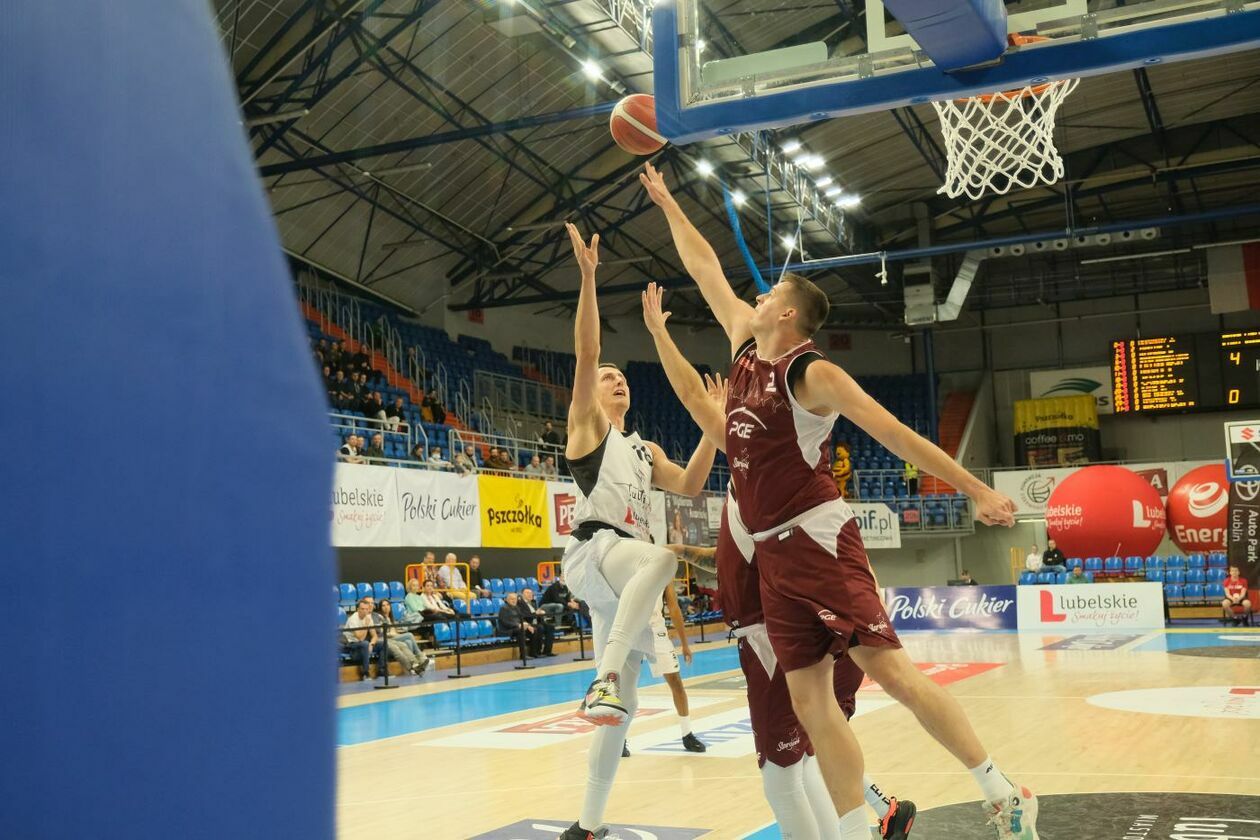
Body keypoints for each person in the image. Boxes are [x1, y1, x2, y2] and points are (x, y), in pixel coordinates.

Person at [641, 161, 1032, 840]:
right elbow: (705, 268)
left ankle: (1001, 790)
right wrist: (668, 201)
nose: (752, 298)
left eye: (767, 296)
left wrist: (975, 490)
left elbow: (896, 433)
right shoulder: (743, 351)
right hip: (772, 554)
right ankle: (855, 830)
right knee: (810, 703)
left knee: (894, 674)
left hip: (816, 536)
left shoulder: (811, 373)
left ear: (786, 312)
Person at [652, 353, 917, 840]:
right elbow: (733, 559)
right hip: (805, 638)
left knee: (781, 777)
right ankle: (877, 809)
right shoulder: (765, 495)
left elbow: (694, 401)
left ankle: (876, 811)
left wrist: (660, 334)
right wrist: (683, 552)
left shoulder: (768, 495)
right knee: (811, 758)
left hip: (775, 639)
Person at [556, 224, 717, 840]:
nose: (616, 379)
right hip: (594, 555)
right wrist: (591, 277)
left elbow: (694, 486)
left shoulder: (644, 450)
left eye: (624, 377)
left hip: (618, 582)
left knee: (618, 716)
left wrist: (710, 425)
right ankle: (602, 679)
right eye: (608, 376)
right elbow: (587, 351)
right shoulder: (587, 428)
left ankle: (586, 827)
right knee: (658, 561)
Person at [374, 600, 432, 676]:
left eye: (387, 605)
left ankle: (416, 665)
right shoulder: (380, 617)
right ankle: (420, 658)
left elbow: (393, 631)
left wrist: (394, 632)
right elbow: (382, 632)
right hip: (386, 638)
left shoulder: (390, 617)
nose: (386, 607)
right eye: (383, 605)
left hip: (392, 637)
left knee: (408, 642)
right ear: (380, 608)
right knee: (409, 635)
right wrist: (391, 633)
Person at [342, 597, 385, 680]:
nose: (365, 611)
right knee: (365, 643)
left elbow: (374, 635)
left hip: (362, 645)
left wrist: (372, 644)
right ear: (358, 609)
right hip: (351, 646)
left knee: (383, 643)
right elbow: (360, 638)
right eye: (362, 609)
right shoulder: (353, 619)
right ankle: (366, 673)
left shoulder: (368, 617)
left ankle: (381, 670)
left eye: (366, 609)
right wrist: (365, 625)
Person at [498, 592, 537, 658]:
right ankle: (523, 655)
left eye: (515, 599)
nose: (514, 601)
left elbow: (522, 619)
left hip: (517, 628)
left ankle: (533, 653)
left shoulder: (517, 608)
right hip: (507, 630)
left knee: (534, 630)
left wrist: (528, 625)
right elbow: (505, 622)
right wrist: (518, 625)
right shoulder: (503, 608)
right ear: (507, 600)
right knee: (521, 630)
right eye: (512, 599)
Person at [518, 588, 555, 656]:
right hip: (529, 623)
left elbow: (536, 614)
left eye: (531, 593)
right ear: (522, 595)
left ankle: (547, 651)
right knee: (540, 628)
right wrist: (536, 613)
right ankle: (536, 652)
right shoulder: (520, 603)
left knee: (550, 627)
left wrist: (540, 613)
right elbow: (524, 616)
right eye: (527, 593)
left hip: (537, 622)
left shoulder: (533, 603)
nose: (530, 594)